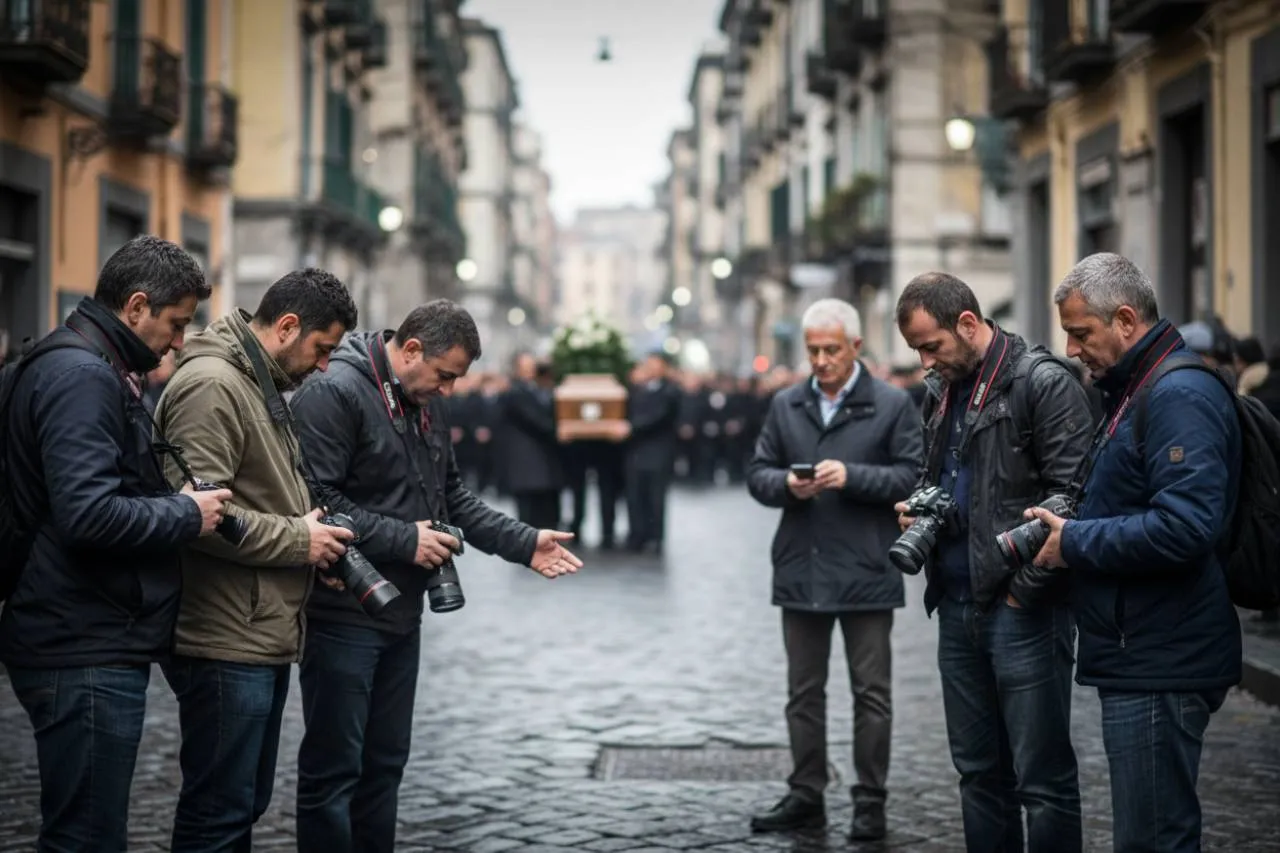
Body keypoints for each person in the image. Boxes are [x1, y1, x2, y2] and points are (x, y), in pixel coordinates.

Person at [286, 299, 582, 852]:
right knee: (333, 772)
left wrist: (525, 542)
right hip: (344, 611)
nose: (448, 390)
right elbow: (316, 498)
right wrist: (406, 538)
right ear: (413, 349)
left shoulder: (421, 397)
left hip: (402, 613)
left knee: (386, 764)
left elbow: (453, 498)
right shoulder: (335, 391)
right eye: (444, 376)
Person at [0, 235, 231, 852]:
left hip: (78, 630)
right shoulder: (83, 376)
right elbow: (88, 515)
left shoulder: (78, 361)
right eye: (176, 324)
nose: (180, 342)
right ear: (135, 308)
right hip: (80, 642)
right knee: (86, 838)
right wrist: (186, 512)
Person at [1027, 252, 1243, 853]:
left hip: (1161, 658)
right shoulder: (1135, 386)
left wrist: (1073, 541)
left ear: (1125, 320)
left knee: (1151, 840)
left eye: (1080, 333)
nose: (1072, 349)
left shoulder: (1175, 394)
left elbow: (1185, 526)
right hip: (1143, 650)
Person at [153, 268, 360, 852]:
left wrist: (310, 539)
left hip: (256, 626)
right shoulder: (215, 384)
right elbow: (199, 514)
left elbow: (259, 495)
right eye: (322, 350)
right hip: (221, 633)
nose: (324, 366)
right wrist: (301, 540)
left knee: (241, 805)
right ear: (288, 327)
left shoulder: (254, 378)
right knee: (219, 813)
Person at [894, 272, 1092, 852]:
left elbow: (1075, 497)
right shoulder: (941, 388)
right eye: (916, 352)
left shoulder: (1042, 383)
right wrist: (920, 509)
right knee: (979, 774)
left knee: (1043, 781)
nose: (926, 362)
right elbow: (943, 479)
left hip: (1023, 610)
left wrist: (1022, 591)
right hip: (956, 605)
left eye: (932, 346)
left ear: (969, 323)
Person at [746, 298, 921, 841]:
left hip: (868, 568)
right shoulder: (786, 404)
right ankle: (806, 793)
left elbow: (913, 479)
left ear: (856, 347)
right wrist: (787, 487)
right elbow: (758, 473)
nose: (820, 360)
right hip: (801, 567)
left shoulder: (892, 404)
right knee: (803, 692)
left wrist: (852, 476)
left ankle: (870, 800)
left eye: (831, 350)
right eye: (813, 350)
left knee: (871, 693)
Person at [623, 351, 682, 552]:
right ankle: (637, 534)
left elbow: (660, 416)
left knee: (656, 497)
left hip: (658, 452)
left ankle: (656, 536)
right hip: (636, 452)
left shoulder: (670, 391)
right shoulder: (637, 390)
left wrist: (631, 428)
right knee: (635, 495)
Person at [502, 351, 565, 529]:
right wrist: (558, 432)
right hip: (526, 461)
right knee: (528, 514)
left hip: (543, 460)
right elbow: (533, 420)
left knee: (546, 510)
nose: (531, 370)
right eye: (526, 367)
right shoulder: (515, 392)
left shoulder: (539, 389)